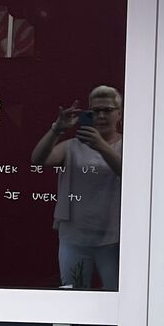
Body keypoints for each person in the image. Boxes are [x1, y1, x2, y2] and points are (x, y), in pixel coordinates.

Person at [31, 85, 123, 289]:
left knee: (116, 294)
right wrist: (57, 130)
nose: (101, 116)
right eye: (95, 111)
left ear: (119, 114)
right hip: (75, 236)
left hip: (113, 237)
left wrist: (101, 146)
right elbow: (38, 159)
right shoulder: (72, 146)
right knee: (73, 294)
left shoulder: (128, 145)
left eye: (107, 110)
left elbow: (129, 173)